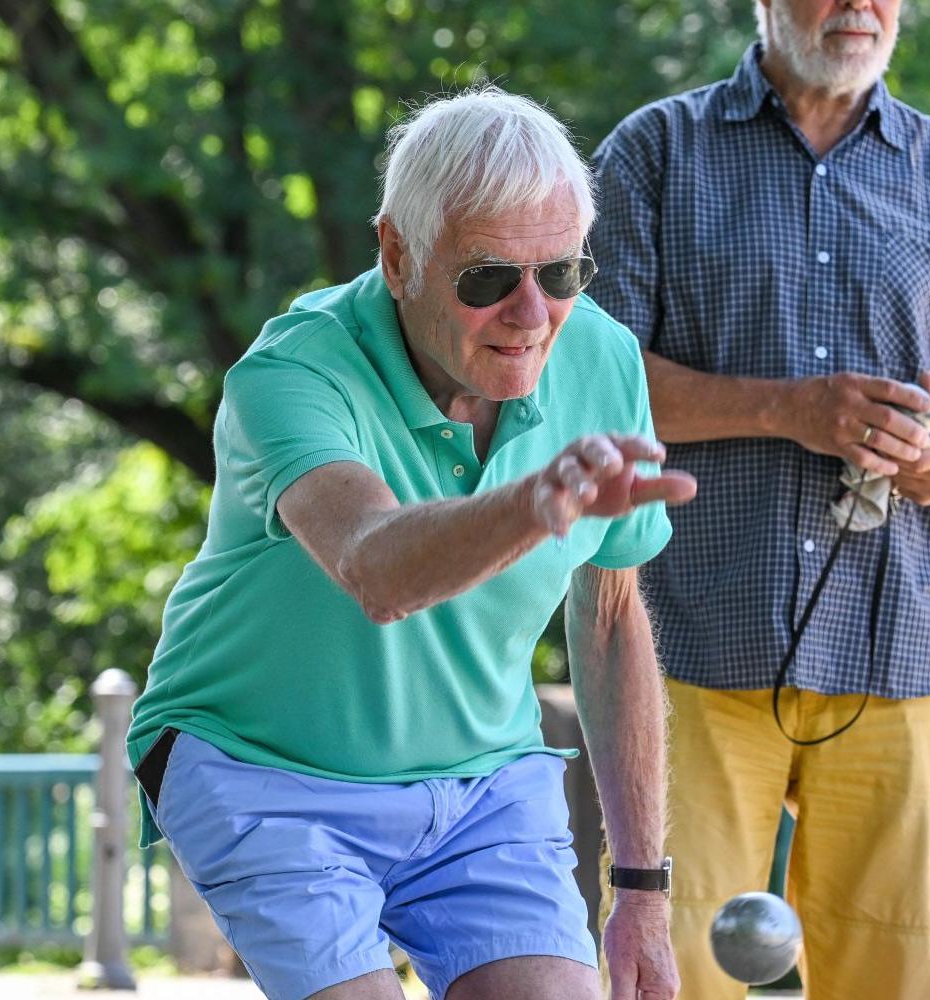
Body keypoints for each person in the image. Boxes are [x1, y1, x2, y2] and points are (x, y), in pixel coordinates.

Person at [127, 87, 692, 1000]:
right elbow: (376, 566)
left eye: (560, 274)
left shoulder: (601, 357)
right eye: (487, 279)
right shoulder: (294, 370)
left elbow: (611, 617)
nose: (532, 313)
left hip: (481, 785)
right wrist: (534, 503)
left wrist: (639, 891)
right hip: (263, 768)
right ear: (397, 254)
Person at [588, 0, 930, 996]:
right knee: (670, 977)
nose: (856, 6)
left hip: (906, 643)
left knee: (891, 979)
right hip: (692, 635)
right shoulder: (652, 153)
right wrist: (783, 409)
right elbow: (591, 382)